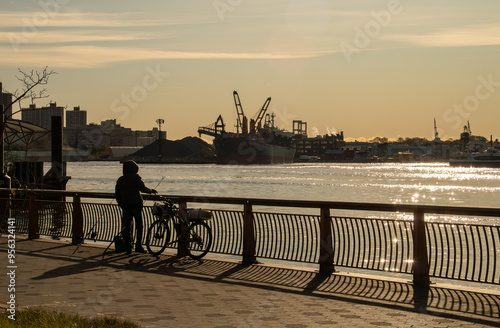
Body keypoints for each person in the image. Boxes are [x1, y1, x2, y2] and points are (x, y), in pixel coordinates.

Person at [115, 160, 157, 254]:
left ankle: (128, 247)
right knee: (139, 226)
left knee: (127, 227)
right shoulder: (135, 177)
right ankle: (138, 246)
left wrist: (121, 204)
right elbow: (142, 188)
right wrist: (151, 191)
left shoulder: (120, 179)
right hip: (136, 205)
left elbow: (117, 194)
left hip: (125, 206)